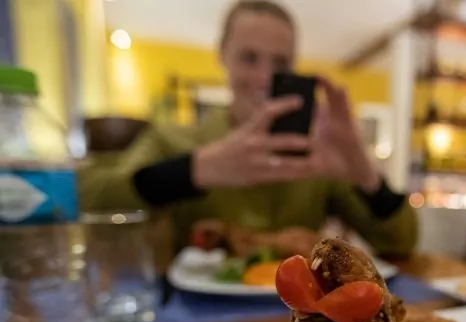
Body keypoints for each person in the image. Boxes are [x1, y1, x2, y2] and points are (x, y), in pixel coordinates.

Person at [78, 0, 417, 257]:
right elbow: (90, 197)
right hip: (201, 318)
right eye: (249, 58)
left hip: (302, 316)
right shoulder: (174, 140)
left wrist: (364, 172)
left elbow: (401, 242)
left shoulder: (314, 156)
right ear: (222, 54)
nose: (264, 77)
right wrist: (194, 170)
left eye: (280, 63)